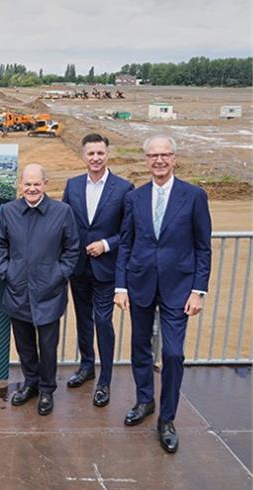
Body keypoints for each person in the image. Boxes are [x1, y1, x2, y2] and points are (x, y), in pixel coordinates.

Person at [115, 135, 211, 453]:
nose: (159, 160)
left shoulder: (194, 196)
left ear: (174, 157)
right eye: (153, 155)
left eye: (165, 154)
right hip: (141, 284)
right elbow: (126, 243)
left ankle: (167, 419)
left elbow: (202, 247)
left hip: (178, 289)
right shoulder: (135, 198)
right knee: (140, 349)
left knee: (172, 354)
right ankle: (145, 401)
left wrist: (198, 291)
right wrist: (121, 285)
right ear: (146, 160)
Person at [0, 164, 80, 416]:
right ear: (21, 185)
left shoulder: (62, 212)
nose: (32, 188)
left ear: (45, 184)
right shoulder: (9, 211)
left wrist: (60, 274)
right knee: (25, 345)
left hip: (49, 292)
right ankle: (30, 383)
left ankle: (46, 390)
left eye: (36, 184)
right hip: (17, 290)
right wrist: (6, 271)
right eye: (27, 184)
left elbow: (72, 248)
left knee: (48, 346)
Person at [62, 134, 134, 407]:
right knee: (83, 320)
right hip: (79, 268)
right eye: (90, 153)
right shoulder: (73, 185)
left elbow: (130, 231)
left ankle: (105, 379)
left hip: (107, 269)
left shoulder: (124, 188)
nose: (95, 158)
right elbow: (65, 223)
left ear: (107, 155)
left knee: (103, 322)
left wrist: (105, 244)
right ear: (83, 156)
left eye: (100, 153)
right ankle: (86, 366)